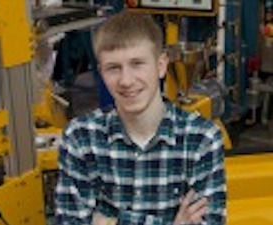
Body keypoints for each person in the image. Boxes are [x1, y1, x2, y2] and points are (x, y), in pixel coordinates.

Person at [55, 10, 227, 225]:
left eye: (137, 64)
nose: (126, 80)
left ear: (161, 65)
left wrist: (107, 221)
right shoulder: (80, 138)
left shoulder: (202, 139)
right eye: (113, 68)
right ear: (100, 71)